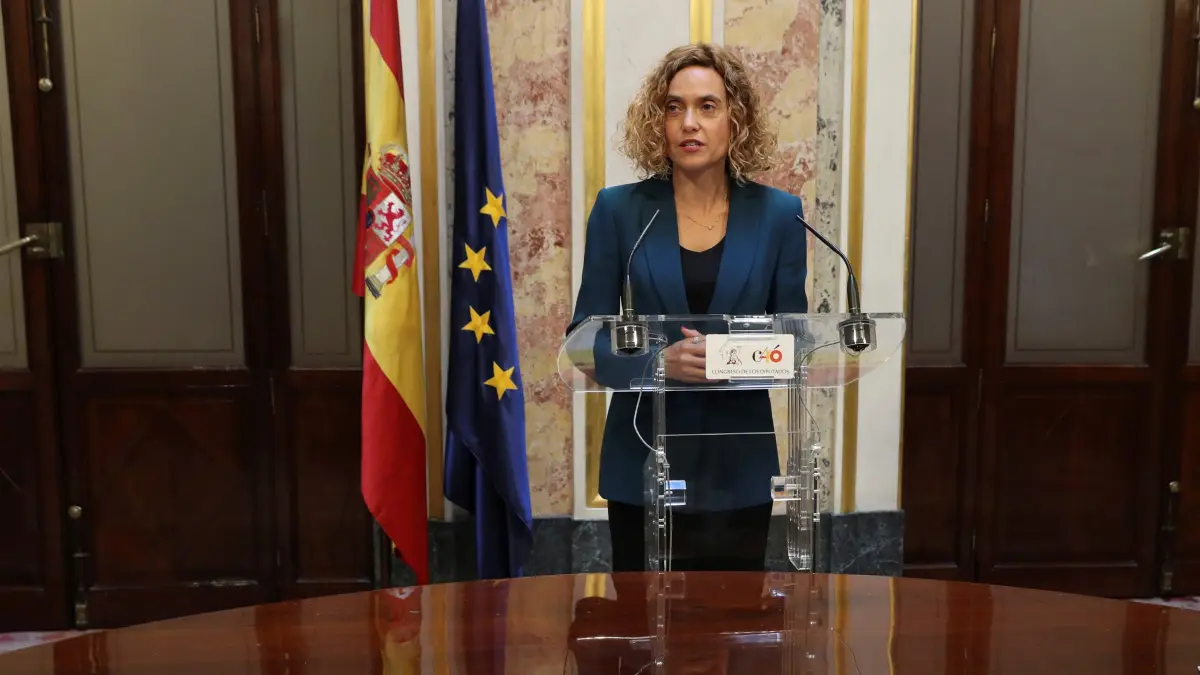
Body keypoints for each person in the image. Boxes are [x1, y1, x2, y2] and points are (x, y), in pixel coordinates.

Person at [567, 43, 809, 571]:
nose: (688, 123)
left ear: (736, 120)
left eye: (707, 106)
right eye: (673, 108)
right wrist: (658, 364)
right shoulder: (619, 211)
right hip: (643, 463)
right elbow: (585, 339)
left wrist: (724, 358)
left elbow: (795, 340)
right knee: (642, 616)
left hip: (738, 467)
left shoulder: (779, 215)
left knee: (733, 616)